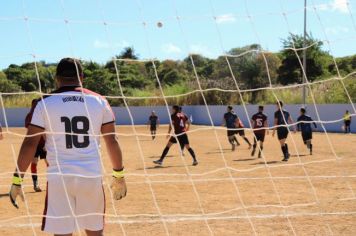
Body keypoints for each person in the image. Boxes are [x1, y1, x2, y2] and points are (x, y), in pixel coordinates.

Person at [9, 58, 127, 236]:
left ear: (57, 78)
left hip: (59, 179)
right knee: (95, 233)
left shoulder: (44, 103)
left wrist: (18, 180)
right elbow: (112, 141)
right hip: (91, 176)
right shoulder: (99, 101)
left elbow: (30, 143)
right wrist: (119, 175)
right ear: (81, 77)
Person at [25, 99, 49, 192]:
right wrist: (47, 143)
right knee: (50, 164)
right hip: (43, 143)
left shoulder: (29, 116)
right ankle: (51, 183)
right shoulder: (43, 114)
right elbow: (43, 130)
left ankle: (35, 184)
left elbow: (29, 128)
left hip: (34, 143)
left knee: (34, 163)